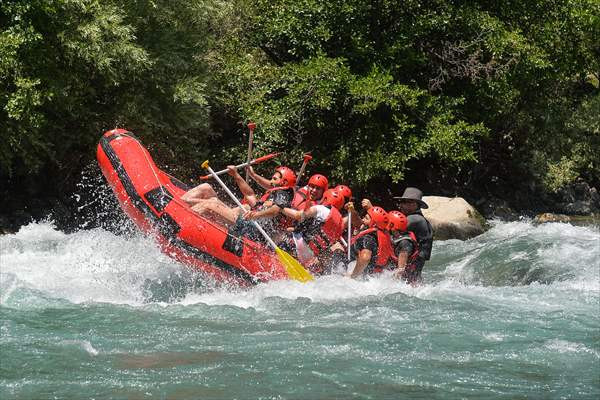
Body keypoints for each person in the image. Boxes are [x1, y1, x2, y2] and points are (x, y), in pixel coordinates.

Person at [190, 165, 296, 242]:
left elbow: (275, 211)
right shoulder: (273, 194)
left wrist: (255, 214)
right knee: (207, 189)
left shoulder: (284, 194)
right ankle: (178, 205)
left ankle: (181, 219)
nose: (270, 180)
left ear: (284, 182)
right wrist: (236, 175)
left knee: (210, 206)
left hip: (253, 231)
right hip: (247, 221)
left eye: (274, 179)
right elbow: (250, 195)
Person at [281, 189, 345, 274]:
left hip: (300, 246)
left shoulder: (320, 209)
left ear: (324, 199)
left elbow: (298, 216)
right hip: (313, 253)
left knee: (280, 237)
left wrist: (280, 208)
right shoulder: (340, 222)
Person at [393, 187, 433, 282]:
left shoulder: (415, 219)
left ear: (415, 205)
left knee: (405, 242)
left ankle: (399, 275)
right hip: (416, 258)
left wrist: (370, 209)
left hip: (416, 258)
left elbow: (391, 226)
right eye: (402, 202)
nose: (402, 205)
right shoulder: (415, 218)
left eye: (406, 202)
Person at [347, 206, 395, 278]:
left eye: (366, 218)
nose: (362, 220)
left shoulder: (368, 238)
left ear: (373, 223)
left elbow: (365, 258)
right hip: (375, 276)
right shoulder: (383, 234)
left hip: (362, 275)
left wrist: (353, 276)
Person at [387, 210, 421, 284]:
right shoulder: (396, 237)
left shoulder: (405, 243)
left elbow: (400, 270)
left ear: (392, 225)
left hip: (407, 283)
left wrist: (389, 284)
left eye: (387, 222)